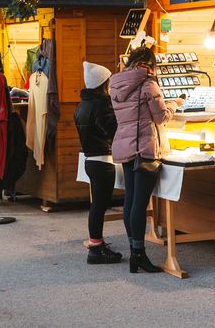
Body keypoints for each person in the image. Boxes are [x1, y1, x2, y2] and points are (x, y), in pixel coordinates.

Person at [110, 45, 180, 273]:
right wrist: (173, 104)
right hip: (144, 148)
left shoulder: (117, 83)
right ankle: (138, 255)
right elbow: (160, 117)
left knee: (130, 200)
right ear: (149, 63)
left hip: (124, 145)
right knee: (140, 203)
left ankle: (134, 252)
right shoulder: (148, 84)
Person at [75, 60, 121, 264]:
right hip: (103, 160)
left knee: (97, 205)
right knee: (100, 206)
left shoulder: (82, 106)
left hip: (90, 159)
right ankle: (95, 248)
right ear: (103, 83)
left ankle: (96, 243)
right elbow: (113, 130)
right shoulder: (102, 104)